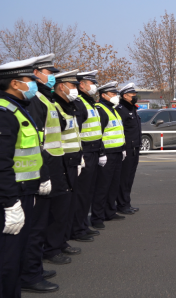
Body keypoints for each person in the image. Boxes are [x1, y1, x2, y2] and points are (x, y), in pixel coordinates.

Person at [0, 57, 43, 297]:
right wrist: (10, 203)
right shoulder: (0, 113)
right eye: (30, 81)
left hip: (21, 192)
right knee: (4, 259)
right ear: (16, 84)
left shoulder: (16, 110)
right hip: (8, 196)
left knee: (14, 257)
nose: (34, 85)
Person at [21, 54, 72, 294]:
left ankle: (36, 266)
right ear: (37, 72)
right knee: (37, 221)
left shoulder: (46, 97)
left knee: (47, 216)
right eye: (49, 72)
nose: (52, 76)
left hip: (53, 160)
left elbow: (58, 127)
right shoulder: (35, 99)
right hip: (43, 164)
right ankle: (31, 270)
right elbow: (37, 140)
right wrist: (43, 174)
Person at [51, 70, 85, 256]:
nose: (76, 89)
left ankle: (61, 241)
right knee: (58, 208)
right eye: (72, 86)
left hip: (72, 160)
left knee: (67, 206)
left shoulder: (69, 105)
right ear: (61, 86)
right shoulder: (55, 106)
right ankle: (53, 246)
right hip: (61, 162)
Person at [70, 70, 104, 241]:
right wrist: (81, 153)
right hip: (86, 152)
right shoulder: (79, 103)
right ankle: (77, 229)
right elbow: (77, 131)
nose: (95, 86)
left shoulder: (89, 103)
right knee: (82, 193)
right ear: (81, 85)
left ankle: (83, 224)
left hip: (94, 151)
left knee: (88, 192)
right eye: (91, 83)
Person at [90, 81, 126, 229]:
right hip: (107, 154)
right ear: (103, 95)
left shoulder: (113, 109)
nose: (116, 96)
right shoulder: (101, 109)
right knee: (102, 186)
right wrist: (101, 153)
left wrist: (122, 148)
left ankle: (110, 211)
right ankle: (97, 217)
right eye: (113, 94)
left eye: (116, 94)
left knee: (113, 184)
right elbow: (99, 134)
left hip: (117, 152)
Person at [115, 83, 142, 215]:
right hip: (127, 149)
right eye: (133, 95)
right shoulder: (121, 109)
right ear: (125, 96)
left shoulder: (132, 109)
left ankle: (126, 203)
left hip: (135, 148)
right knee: (124, 179)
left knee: (129, 178)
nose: (135, 97)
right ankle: (122, 205)